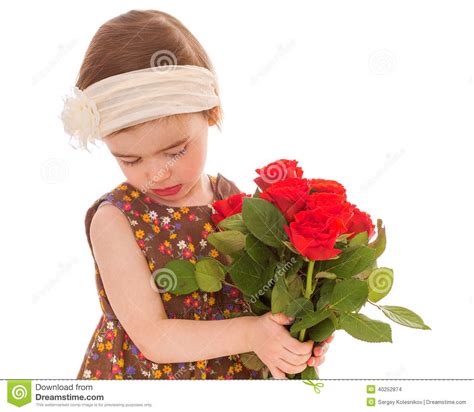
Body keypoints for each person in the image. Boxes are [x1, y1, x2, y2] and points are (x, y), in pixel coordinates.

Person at [61, 9, 333, 380]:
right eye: (130, 159)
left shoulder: (231, 200)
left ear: (211, 112)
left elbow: (263, 295)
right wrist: (251, 333)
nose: (157, 172)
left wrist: (295, 335)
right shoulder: (116, 219)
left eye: (175, 151)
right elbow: (154, 337)